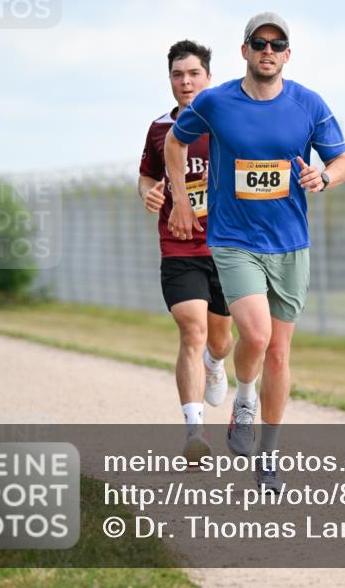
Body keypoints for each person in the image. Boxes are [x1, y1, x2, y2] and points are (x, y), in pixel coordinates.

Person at [164, 13, 345, 491]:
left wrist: (324, 176)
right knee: (257, 333)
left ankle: (267, 455)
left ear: (287, 54)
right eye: (259, 43)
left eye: (277, 44)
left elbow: (342, 160)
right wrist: (181, 198)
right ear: (244, 50)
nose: (268, 51)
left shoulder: (308, 104)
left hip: (290, 243)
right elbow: (174, 141)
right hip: (234, 240)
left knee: (280, 355)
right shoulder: (215, 101)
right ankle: (244, 396)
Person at [138, 39, 233, 461]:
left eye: (194, 73)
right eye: (178, 75)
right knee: (192, 330)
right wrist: (149, 193)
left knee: (221, 340)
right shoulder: (159, 129)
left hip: (227, 246)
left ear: (209, 78)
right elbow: (146, 176)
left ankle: (216, 363)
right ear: (170, 81)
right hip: (179, 244)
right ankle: (195, 432)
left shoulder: (227, 123)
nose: (186, 81)